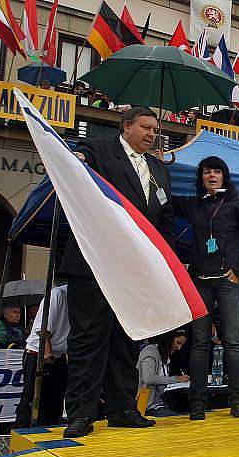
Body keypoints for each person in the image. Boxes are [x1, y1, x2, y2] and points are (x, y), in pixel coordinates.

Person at [61, 106, 175, 438]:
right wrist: (78, 157)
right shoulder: (98, 149)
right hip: (96, 263)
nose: (152, 134)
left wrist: (161, 259)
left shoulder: (157, 169)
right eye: (146, 127)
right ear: (126, 127)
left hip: (134, 272)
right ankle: (81, 414)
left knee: (128, 340)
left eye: (155, 129)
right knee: (88, 339)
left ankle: (122, 408)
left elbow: (164, 220)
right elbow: (76, 158)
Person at [172, 156, 239, 420]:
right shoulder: (194, 205)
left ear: (225, 176)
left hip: (228, 281)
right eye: (207, 172)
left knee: (232, 341)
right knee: (199, 342)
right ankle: (197, 403)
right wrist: (160, 163)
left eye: (217, 172)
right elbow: (164, 197)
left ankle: (237, 401)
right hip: (200, 279)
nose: (212, 176)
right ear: (200, 178)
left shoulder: (237, 205)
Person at [14, 285, 69, 428]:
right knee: (33, 399)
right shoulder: (57, 294)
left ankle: (49, 428)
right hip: (38, 352)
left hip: (59, 354)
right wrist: (47, 352)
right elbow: (43, 328)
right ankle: (24, 428)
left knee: (55, 400)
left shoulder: (82, 300)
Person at [137, 330, 189, 417]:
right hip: (148, 406)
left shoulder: (166, 356)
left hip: (162, 404)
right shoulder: (150, 352)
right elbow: (149, 378)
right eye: (178, 343)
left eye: (181, 345)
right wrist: (176, 379)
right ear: (169, 339)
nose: (179, 348)